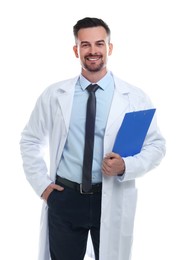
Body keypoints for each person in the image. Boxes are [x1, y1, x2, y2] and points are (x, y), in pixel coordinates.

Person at [20, 17, 166, 260]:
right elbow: (30, 140)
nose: (93, 51)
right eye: (85, 45)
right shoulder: (55, 95)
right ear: (76, 50)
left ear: (109, 48)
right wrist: (43, 187)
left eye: (99, 44)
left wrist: (125, 166)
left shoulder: (134, 97)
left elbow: (157, 146)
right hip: (65, 198)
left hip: (110, 197)